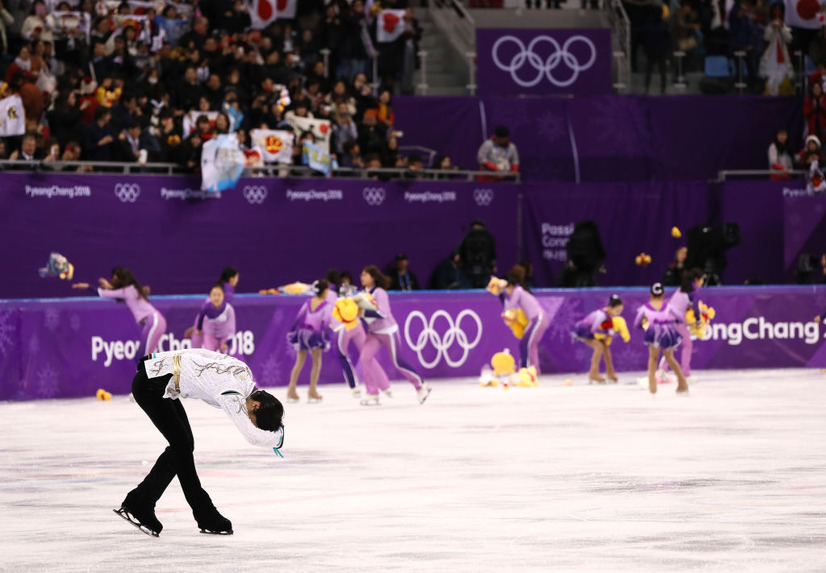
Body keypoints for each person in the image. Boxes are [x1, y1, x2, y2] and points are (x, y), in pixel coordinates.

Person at [114, 348, 285, 537]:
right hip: (151, 387)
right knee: (182, 448)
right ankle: (199, 512)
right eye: (254, 419)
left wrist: (158, 357)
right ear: (256, 405)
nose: (249, 420)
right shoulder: (231, 393)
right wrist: (278, 438)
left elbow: (203, 353)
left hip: (161, 382)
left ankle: (143, 502)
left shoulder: (244, 371)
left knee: (184, 446)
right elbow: (251, 436)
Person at [358, 265, 431, 406]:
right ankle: (372, 393)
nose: (362, 277)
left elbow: (383, 313)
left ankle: (420, 385)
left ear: (373, 277)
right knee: (365, 358)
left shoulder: (379, 292)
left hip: (388, 331)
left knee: (398, 362)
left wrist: (363, 313)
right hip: (374, 333)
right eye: (361, 275)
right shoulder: (362, 294)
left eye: (365, 275)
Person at [74, 266, 167, 357]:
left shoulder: (128, 290)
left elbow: (103, 293)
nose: (113, 281)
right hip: (157, 321)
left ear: (121, 279)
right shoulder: (132, 289)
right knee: (144, 356)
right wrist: (110, 287)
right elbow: (119, 293)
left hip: (154, 321)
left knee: (143, 356)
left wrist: (87, 286)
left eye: (115, 278)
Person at [633, 282, 689, 395]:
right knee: (670, 358)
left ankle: (652, 387)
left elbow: (636, 324)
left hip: (654, 333)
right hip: (667, 332)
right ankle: (683, 383)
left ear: (651, 295)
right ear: (663, 295)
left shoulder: (645, 308)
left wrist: (646, 326)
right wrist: (670, 322)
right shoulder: (667, 306)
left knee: (653, 358)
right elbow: (681, 318)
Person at [286, 280, 332, 403]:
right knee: (316, 362)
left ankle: (291, 389)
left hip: (302, 332)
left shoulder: (308, 302)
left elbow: (298, 318)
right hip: (315, 335)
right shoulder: (326, 305)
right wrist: (326, 338)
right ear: (325, 291)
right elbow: (326, 324)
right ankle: (312, 390)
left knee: (299, 362)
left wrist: (293, 332)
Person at [659, 268, 705, 382]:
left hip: (667, 318)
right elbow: (694, 307)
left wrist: (702, 311)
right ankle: (685, 373)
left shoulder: (683, 288)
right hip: (675, 320)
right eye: (702, 279)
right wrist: (698, 321)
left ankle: (663, 371)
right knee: (687, 344)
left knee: (671, 346)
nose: (703, 282)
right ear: (697, 279)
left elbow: (686, 305)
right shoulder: (693, 290)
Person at [498, 271, 549, 373]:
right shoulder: (519, 290)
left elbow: (509, 307)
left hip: (538, 319)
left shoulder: (518, 290)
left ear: (510, 286)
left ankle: (527, 370)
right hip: (536, 319)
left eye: (506, 289)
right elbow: (510, 308)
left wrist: (500, 294)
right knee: (527, 343)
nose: (507, 292)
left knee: (527, 344)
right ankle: (532, 370)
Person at [572, 294, 625, 383]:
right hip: (584, 329)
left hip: (590, 330)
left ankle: (610, 372)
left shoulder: (610, 315)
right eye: (617, 310)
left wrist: (614, 332)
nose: (618, 313)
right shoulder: (602, 315)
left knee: (605, 347)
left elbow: (605, 329)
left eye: (620, 311)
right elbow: (594, 330)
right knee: (599, 347)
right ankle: (593, 373)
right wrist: (609, 332)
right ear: (610, 307)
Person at [187, 267, 239, 349]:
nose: (237, 280)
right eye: (237, 278)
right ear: (232, 279)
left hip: (207, 320)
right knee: (199, 345)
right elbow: (217, 311)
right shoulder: (227, 290)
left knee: (198, 345)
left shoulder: (221, 286)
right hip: (206, 319)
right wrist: (197, 327)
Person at [759, 4, 793, 96]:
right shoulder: (769, 27)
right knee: (770, 78)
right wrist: (772, 28)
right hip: (771, 57)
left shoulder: (785, 27)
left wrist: (782, 28)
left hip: (782, 57)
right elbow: (766, 38)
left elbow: (789, 39)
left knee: (782, 78)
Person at [195, 283, 236, 353]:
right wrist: (199, 329)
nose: (216, 298)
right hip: (209, 334)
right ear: (210, 296)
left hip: (224, 335)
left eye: (219, 295)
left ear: (223, 296)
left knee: (225, 358)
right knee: (209, 355)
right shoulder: (205, 307)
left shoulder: (229, 309)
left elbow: (232, 330)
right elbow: (200, 318)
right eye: (214, 295)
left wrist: (227, 343)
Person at [459, 220, 497, 288]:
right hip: (472, 269)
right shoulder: (488, 238)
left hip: (482, 269)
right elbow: (492, 254)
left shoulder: (467, 238)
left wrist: (493, 264)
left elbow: (492, 253)